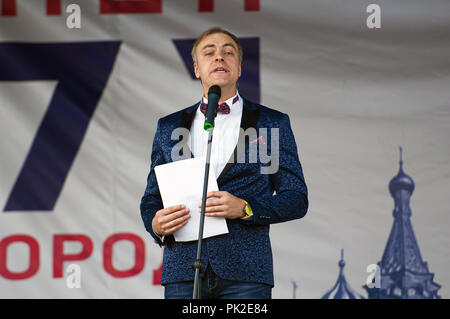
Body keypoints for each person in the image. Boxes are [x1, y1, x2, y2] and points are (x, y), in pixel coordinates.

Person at [140, 27, 308, 299]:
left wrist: (245, 208)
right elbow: (151, 198)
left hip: (246, 274)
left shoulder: (271, 123)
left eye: (228, 52)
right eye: (210, 53)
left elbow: (296, 198)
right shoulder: (168, 126)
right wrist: (156, 224)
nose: (219, 58)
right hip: (183, 272)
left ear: (239, 68)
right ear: (197, 69)